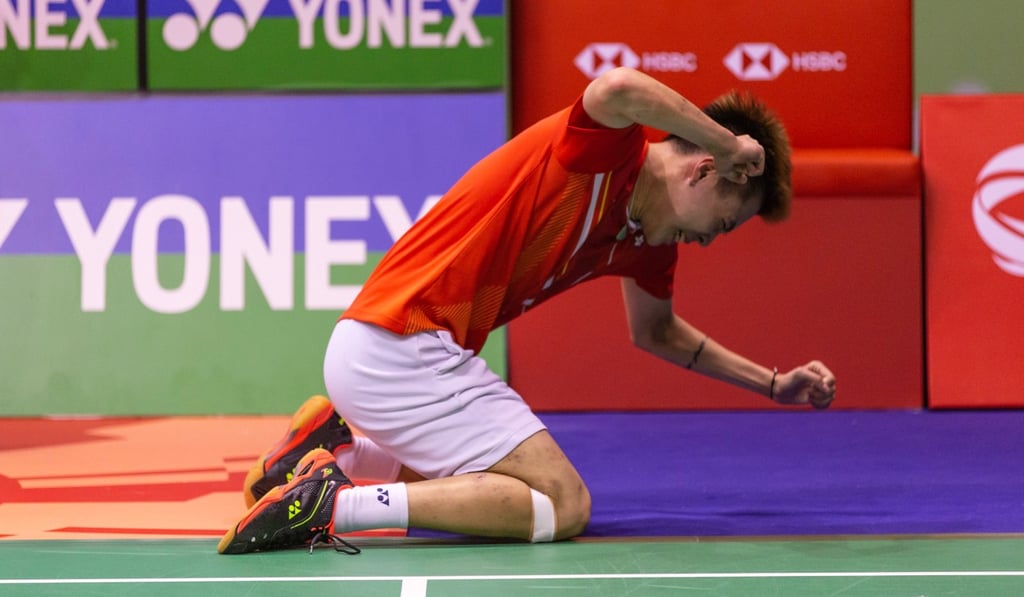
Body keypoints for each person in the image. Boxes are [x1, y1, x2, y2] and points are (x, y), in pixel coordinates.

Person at [217, 67, 837, 554]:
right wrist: (727, 140)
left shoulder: (645, 241)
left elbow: (658, 332)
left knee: (480, 494)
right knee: (560, 505)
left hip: (385, 352)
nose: (707, 241)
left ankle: (327, 459)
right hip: (406, 345)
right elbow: (617, 86)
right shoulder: (603, 153)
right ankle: (331, 504)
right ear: (706, 169)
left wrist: (773, 383)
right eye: (721, 225)